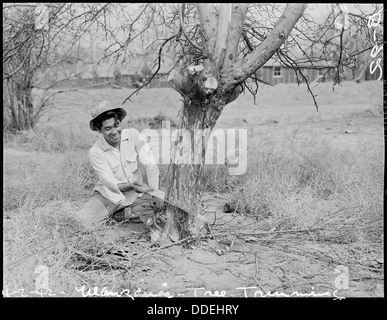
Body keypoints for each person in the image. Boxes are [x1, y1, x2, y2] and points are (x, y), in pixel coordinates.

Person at [76, 101, 163, 230]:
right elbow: (111, 183)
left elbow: (150, 165)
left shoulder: (133, 135)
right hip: (109, 196)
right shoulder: (96, 151)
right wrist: (132, 186)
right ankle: (119, 215)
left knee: (164, 210)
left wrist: (155, 192)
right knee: (81, 221)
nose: (114, 131)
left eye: (116, 125)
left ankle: (123, 216)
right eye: (107, 128)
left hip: (136, 197)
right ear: (99, 130)